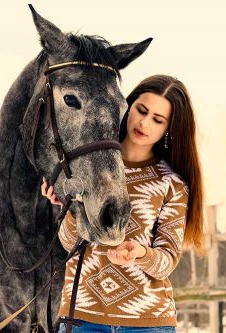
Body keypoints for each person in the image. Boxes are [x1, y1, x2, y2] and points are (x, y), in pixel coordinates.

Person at [41, 74, 204, 333]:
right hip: (82, 318)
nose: (144, 122)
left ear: (169, 128)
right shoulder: (86, 164)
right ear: (128, 105)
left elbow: (167, 261)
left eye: (157, 120)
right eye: (141, 110)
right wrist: (70, 207)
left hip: (148, 323)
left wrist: (141, 253)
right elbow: (69, 243)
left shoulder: (171, 183)